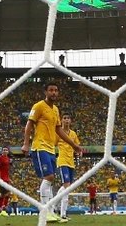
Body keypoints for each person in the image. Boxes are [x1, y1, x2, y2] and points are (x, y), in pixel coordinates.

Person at [22, 82, 84, 224]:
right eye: (51, 90)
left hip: (51, 148)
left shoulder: (56, 110)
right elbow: (29, 124)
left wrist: (75, 145)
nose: (54, 93)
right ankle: (45, 211)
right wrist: (26, 143)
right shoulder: (38, 106)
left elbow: (59, 130)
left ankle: (50, 212)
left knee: (50, 179)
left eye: (56, 90)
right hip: (39, 146)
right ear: (45, 92)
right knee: (49, 177)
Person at [55, 112, 80, 221]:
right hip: (62, 161)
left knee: (66, 187)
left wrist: (79, 151)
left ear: (71, 121)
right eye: (64, 118)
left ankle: (53, 205)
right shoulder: (58, 133)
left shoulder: (73, 134)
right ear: (61, 120)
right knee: (66, 187)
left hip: (71, 163)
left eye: (68, 118)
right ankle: (63, 214)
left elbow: (77, 146)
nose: (66, 120)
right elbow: (53, 143)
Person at [0, 146, 11, 217]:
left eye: (6, 150)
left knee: (3, 194)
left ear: (8, 151)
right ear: (2, 151)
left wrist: (9, 178)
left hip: (6, 179)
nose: (5, 151)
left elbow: (6, 170)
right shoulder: (0, 158)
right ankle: (3, 210)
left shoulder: (8, 158)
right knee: (6, 194)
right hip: (2, 179)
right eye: (3, 150)